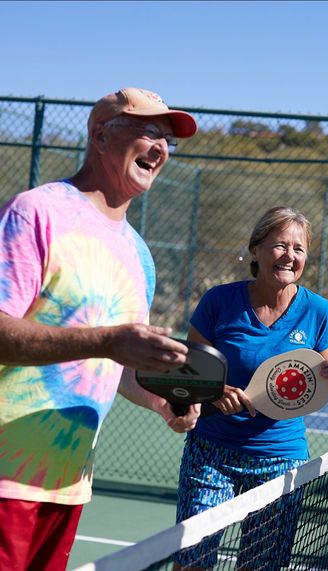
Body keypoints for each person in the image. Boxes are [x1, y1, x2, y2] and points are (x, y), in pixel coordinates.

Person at [0, 87, 199, 570]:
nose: (160, 148)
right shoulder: (35, 212)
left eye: (168, 140)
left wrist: (164, 399)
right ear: (100, 135)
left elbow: (122, 365)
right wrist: (108, 340)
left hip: (69, 484)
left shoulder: (139, 256)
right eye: (149, 132)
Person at [173, 206, 328, 571]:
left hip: (282, 459)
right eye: (279, 245)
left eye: (299, 249)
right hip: (211, 453)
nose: (289, 256)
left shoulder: (319, 311)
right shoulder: (218, 301)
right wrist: (215, 391)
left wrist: (322, 380)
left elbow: (312, 387)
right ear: (256, 249)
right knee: (192, 561)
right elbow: (188, 375)